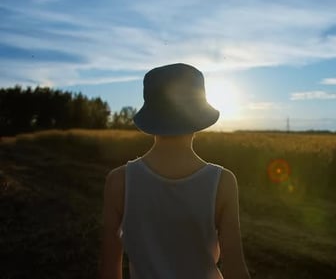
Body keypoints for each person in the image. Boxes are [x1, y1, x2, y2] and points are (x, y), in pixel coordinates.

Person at [99, 63, 251, 279]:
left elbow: (108, 271)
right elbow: (235, 270)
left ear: (150, 118)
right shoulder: (223, 182)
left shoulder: (118, 181)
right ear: (198, 118)